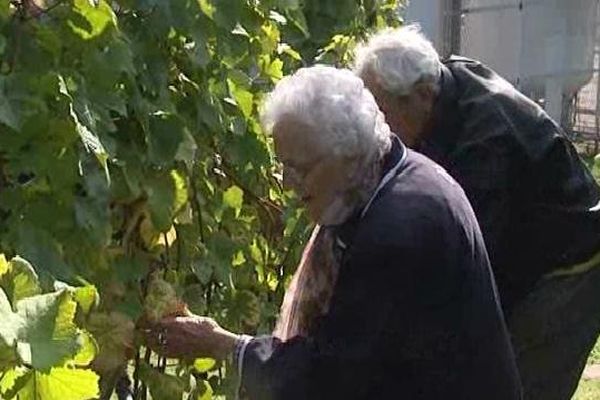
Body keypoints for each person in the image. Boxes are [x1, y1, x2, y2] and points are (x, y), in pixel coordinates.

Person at [145, 66, 521, 399]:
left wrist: (225, 346)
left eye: (300, 168)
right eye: (282, 167)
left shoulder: (399, 232)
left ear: (350, 154)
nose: (288, 184)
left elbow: (333, 380)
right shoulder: (396, 174)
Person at [354, 25, 600, 400]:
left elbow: (475, 267)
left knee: (515, 381)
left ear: (421, 95)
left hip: (568, 265)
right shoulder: (442, 76)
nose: (382, 132)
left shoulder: (485, 146)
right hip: (526, 242)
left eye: (385, 115)